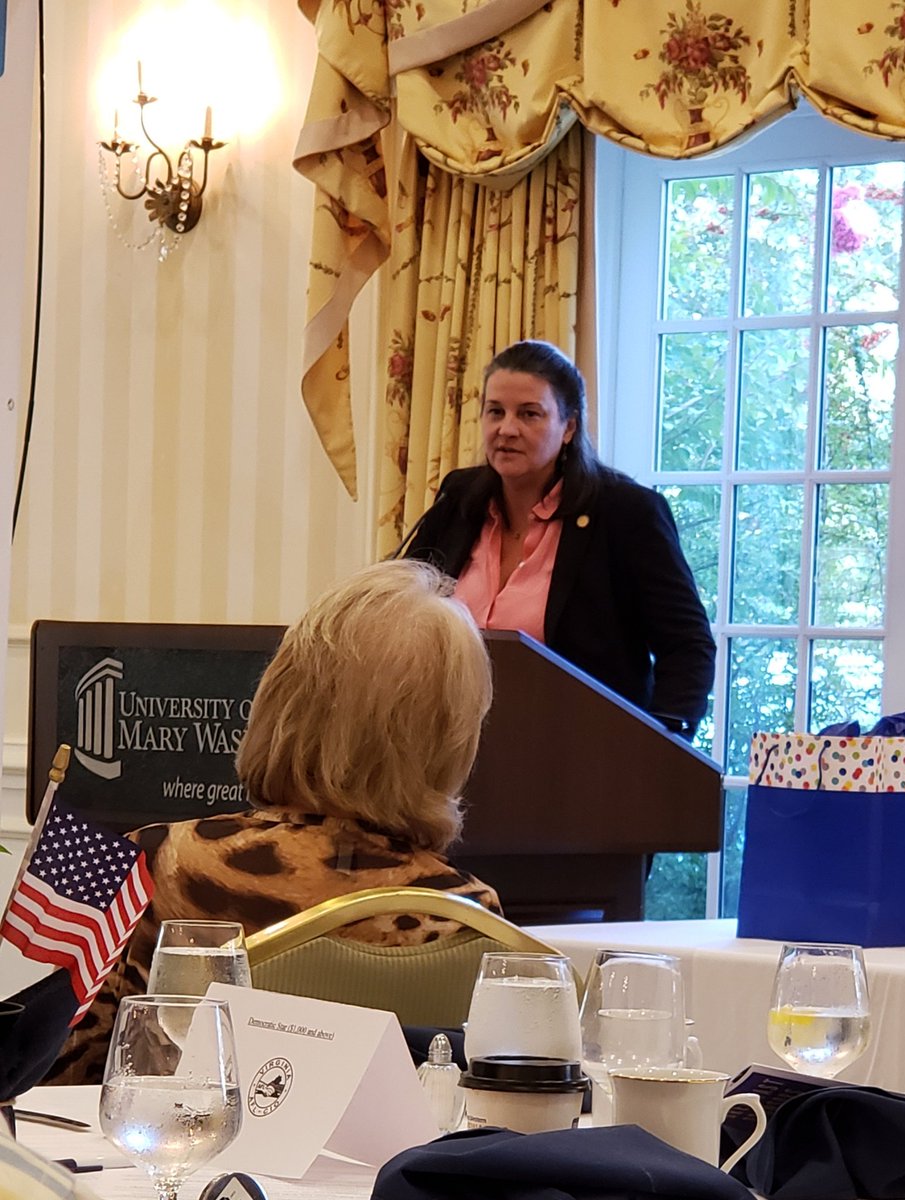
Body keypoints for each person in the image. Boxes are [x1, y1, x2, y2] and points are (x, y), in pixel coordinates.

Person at [44, 560, 500, 1084]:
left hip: (181, 1135)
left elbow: (61, 1084)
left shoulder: (152, 866)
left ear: (280, 698)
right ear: (452, 740)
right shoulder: (468, 916)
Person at [405, 340, 715, 736]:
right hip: (451, 743)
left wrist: (659, 746)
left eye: (529, 414)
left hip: (581, 747)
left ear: (568, 427)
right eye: (495, 411)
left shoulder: (625, 512)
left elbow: (687, 647)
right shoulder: (459, 497)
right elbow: (406, 609)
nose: (507, 429)